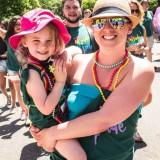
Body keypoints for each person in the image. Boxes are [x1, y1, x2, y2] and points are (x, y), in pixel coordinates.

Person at [30, 0, 155, 159]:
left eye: (116, 21)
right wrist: (39, 125)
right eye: (100, 22)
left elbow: (103, 120)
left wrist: (50, 134)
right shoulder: (74, 63)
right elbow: (46, 96)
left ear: (129, 27)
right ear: (92, 28)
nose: (107, 28)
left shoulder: (141, 68)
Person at [9, 8, 87, 160]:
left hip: (62, 117)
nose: (43, 47)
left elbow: (77, 49)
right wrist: (60, 81)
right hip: (48, 125)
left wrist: (65, 53)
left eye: (48, 41)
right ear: (24, 41)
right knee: (78, 156)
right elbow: (45, 109)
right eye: (36, 40)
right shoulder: (32, 72)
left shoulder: (49, 59)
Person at [127, 0, 152, 143]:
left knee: (147, 97)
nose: (134, 13)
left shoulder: (141, 27)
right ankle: (133, 128)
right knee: (132, 99)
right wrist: (128, 49)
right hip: (126, 65)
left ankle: (130, 120)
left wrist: (142, 50)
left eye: (136, 11)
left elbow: (147, 48)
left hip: (140, 65)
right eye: (131, 11)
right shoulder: (122, 26)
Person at [0, 16, 29, 124]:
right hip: (12, 69)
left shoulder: (26, 35)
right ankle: (25, 112)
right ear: (12, 25)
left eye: (21, 24)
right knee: (19, 92)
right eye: (17, 24)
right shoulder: (7, 36)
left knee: (27, 92)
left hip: (25, 68)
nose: (19, 26)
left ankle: (28, 112)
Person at [0, 20, 11, 106]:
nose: (1, 29)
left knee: (13, 85)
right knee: (2, 86)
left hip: (11, 62)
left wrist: (7, 53)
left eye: (2, 27)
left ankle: (15, 103)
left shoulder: (9, 36)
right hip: (1, 63)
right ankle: (8, 97)